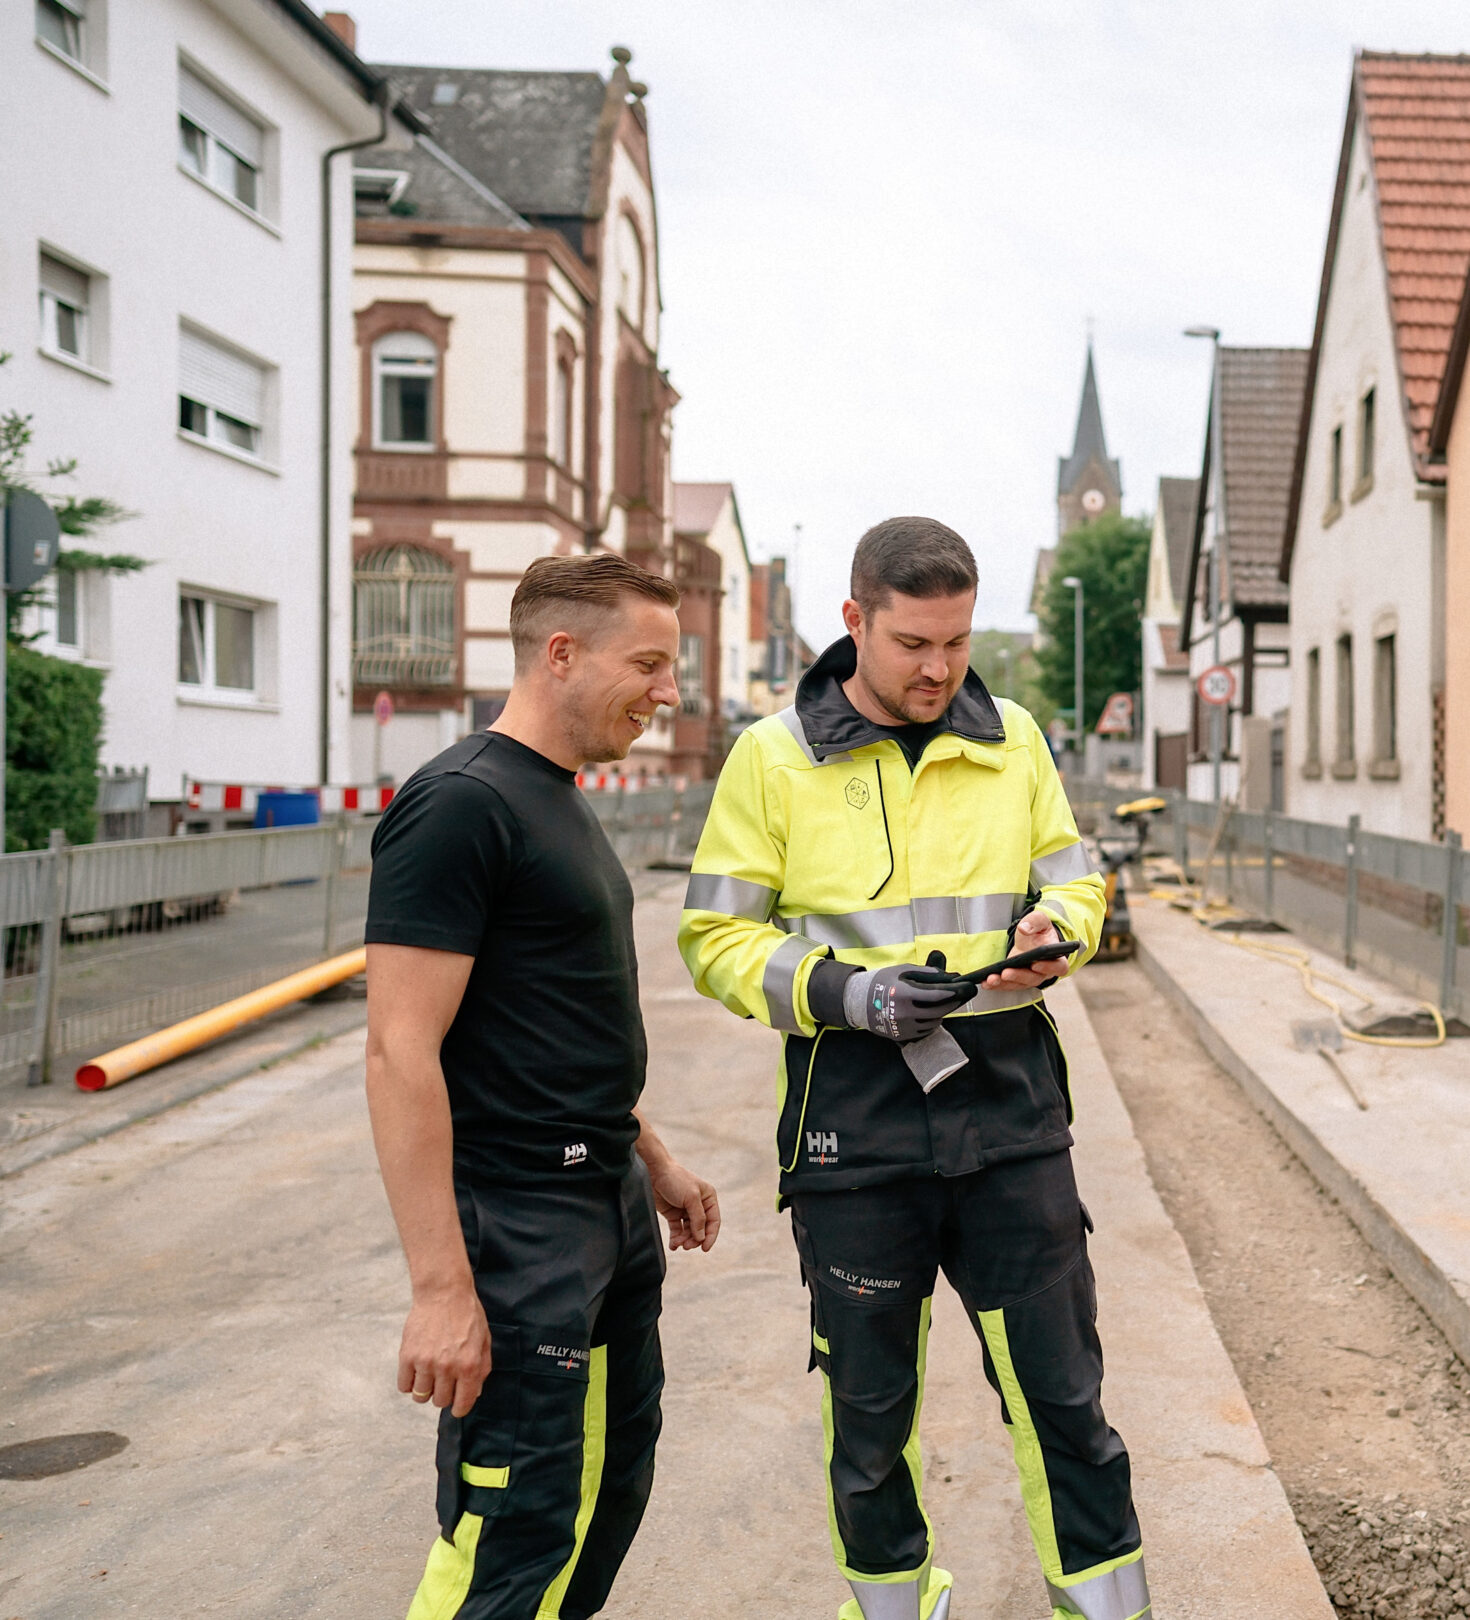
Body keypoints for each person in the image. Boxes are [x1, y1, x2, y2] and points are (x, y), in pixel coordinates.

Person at [678, 518, 1148, 1620]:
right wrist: (849, 991)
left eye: (957, 641)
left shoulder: (1015, 738)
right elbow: (716, 938)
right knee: (871, 1424)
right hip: (855, 1125)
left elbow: (1075, 880)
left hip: (1010, 1109)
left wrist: (1058, 930)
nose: (939, 668)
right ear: (855, 622)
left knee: (1065, 1400)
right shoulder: (774, 755)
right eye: (911, 644)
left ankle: (1110, 1610)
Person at [366, 552, 721, 1620]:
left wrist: (647, 1154)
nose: (670, 692)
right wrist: (441, 1290)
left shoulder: (557, 798)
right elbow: (399, 1052)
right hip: (519, 1227)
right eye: (650, 664)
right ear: (560, 653)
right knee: (511, 1532)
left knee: (603, 1499)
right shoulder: (461, 805)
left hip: (603, 1208)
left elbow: (553, 1023)